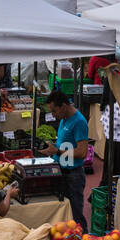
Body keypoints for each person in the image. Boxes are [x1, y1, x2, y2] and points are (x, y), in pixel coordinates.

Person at [38, 90, 89, 227]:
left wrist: (58, 151)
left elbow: (82, 152)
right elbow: (65, 144)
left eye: (54, 111)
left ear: (64, 106)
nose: (53, 115)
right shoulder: (64, 119)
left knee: (75, 214)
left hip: (73, 176)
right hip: (61, 172)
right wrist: (53, 148)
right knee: (65, 214)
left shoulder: (79, 122)